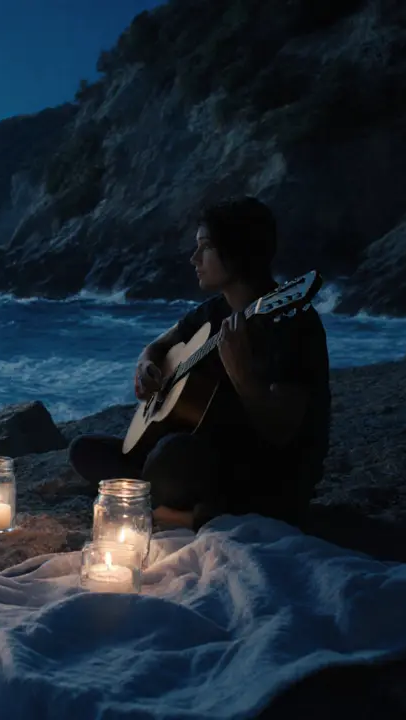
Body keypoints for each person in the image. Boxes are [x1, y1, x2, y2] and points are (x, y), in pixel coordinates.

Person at [69, 196, 331, 531]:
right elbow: (158, 346)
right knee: (84, 450)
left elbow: (281, 432)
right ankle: (170, 506)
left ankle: (180, 511)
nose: (194, 258)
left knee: (172, 455)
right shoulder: (215, 311)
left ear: (238, 252)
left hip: (267, 476)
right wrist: (147, 366)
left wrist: (242, 374)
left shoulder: (292, 324)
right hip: (212, 456)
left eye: (204, 247)